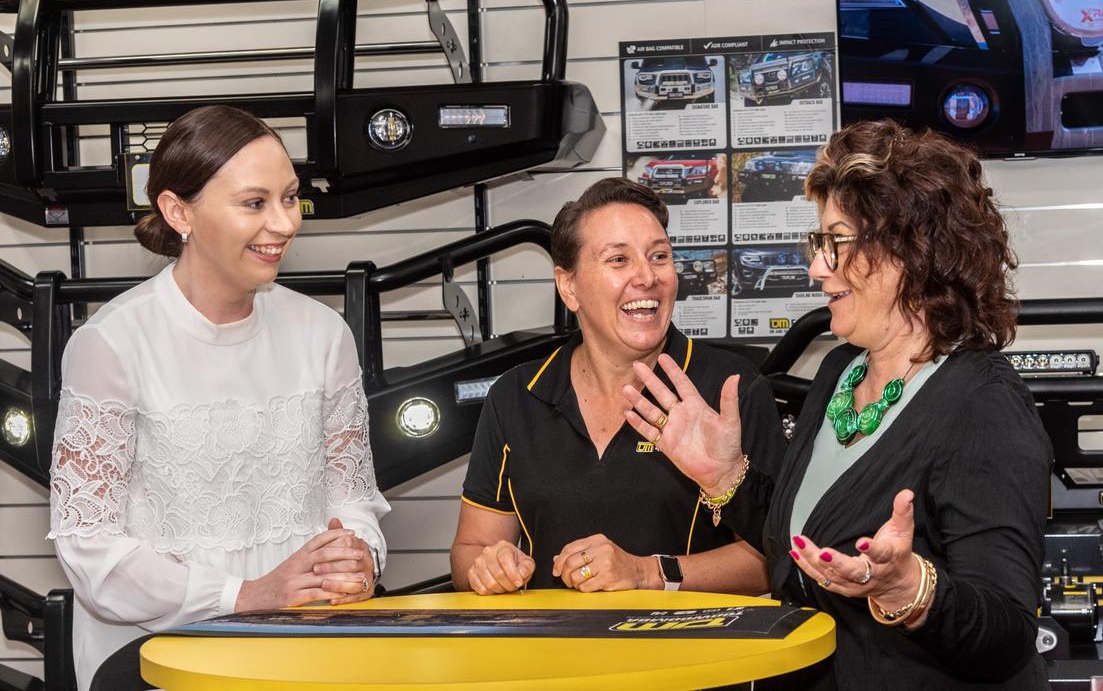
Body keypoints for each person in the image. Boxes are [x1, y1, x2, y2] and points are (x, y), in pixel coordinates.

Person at [623, 120, 1052, 689]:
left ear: (910, 249)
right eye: (818, 243)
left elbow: (1007, 635)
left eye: (836, 241)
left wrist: (911, 591)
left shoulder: (983, 405)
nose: (816, 267)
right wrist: (727, 476)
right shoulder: (840, 372)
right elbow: (804, 551)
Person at [46, 105, 391, 689]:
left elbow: (354, 497)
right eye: (254, 203)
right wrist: (246, 595)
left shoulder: (323, 333)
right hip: (156, 660)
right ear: (179, 211)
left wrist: (359, 554)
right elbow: (91, 552)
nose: (283, 223)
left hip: (306, 649)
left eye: (289, 197)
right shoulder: (110, 344)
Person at [451, 178, 784, 595]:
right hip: (550, 654)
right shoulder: (517, 394)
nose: (647, 277)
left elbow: (775, 559)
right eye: (618, 260)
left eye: (659, 256)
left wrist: (647, 574)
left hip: (691, 654)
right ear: (568, 286)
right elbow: (471, 547)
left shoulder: (730, 388)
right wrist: (489, 568)